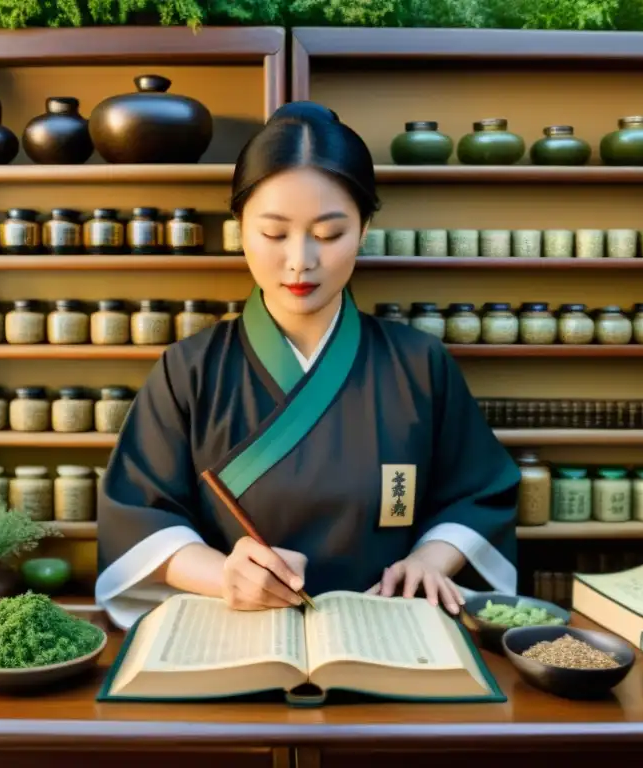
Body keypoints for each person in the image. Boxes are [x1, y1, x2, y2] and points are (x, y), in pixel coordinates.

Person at [95, 101, 520, 630]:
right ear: (240, 228)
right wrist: (224, 574)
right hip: (234, 633)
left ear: (364, 229)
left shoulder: (419, 364)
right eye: (274, 234)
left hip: (391, 629)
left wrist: (430, 562)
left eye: (328, 234)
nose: (300, 261)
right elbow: (137, 516)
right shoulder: (190, 369)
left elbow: (479, 492)